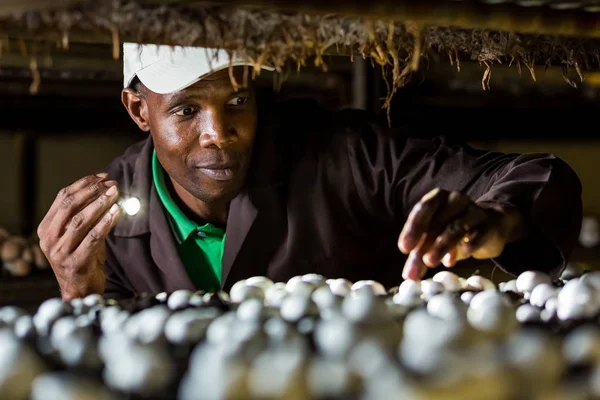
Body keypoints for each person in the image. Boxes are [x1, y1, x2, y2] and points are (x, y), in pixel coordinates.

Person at [37, 43, 583, 300]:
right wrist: (78, 291)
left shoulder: (345, 157)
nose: (219, 133)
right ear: (139, 111)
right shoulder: (108, 224)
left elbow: (535, 174)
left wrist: (498, 218)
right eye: (186, 110)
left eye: (240, 100)